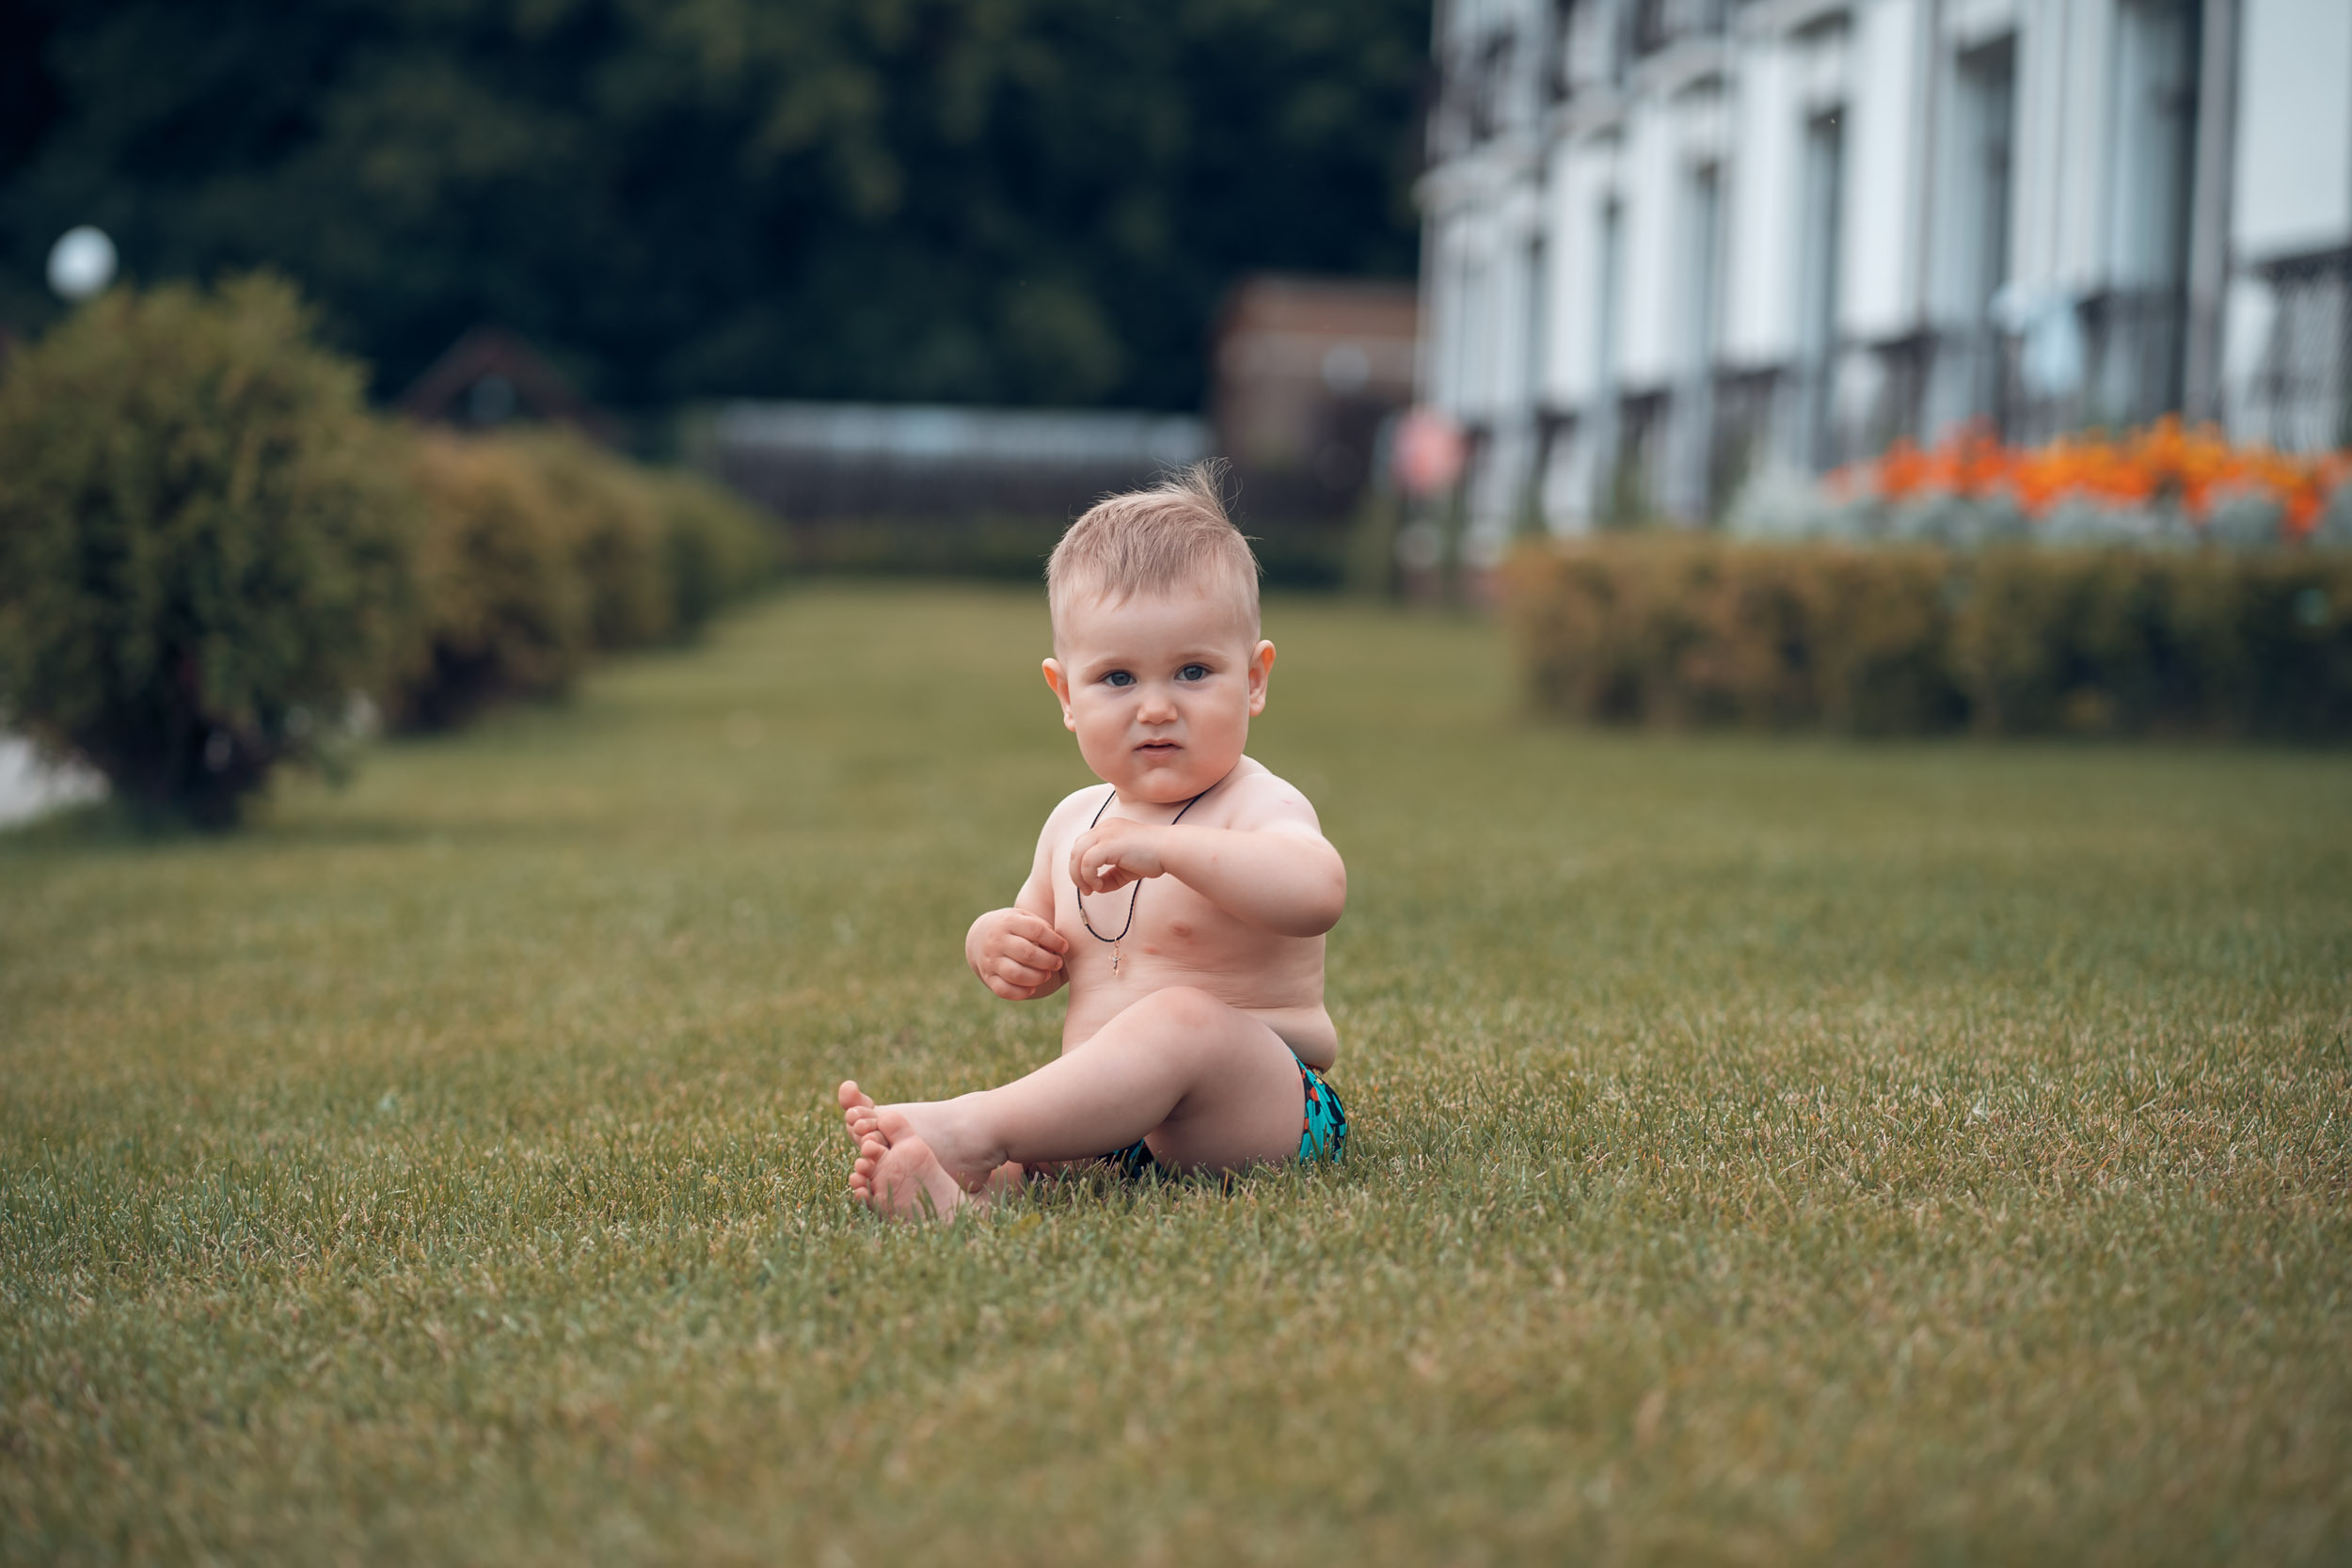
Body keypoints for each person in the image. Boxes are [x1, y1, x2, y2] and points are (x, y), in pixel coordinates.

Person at [836, 463, 1350, 1219]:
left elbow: (1317, 892)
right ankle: (958, 1196)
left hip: (1261, 1105)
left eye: (1193, 671)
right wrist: (995, 942)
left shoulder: (1256, 802)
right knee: (1053, 1132)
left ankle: (974, 1128)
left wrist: (1168, 851)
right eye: (1117, 678)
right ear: (1066, 695)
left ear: (1253, 679)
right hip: (1115, 1128)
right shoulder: (1073, 819)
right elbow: (1039, 938)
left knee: (1181, 1018)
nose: (1156, 707)